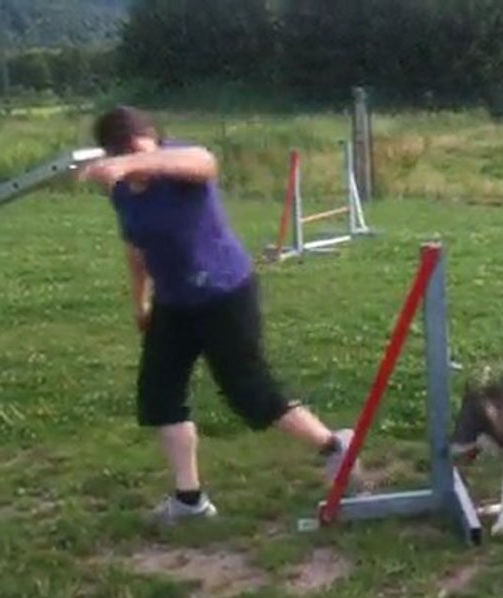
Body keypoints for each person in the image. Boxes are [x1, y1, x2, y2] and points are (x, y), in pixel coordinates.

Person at [78, 105, 361, 524]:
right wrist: (141, 301)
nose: (133, 162)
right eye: (121, 153)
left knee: (249, 392)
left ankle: (333, 446)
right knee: (159, 397)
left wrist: (131, 160)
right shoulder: (122, 191)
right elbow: (136, 248)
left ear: (152, 141)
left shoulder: (181, 164)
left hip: (224, 293)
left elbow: (206, 163)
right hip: (173, 303)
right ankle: (189, 500)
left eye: (138, 149)